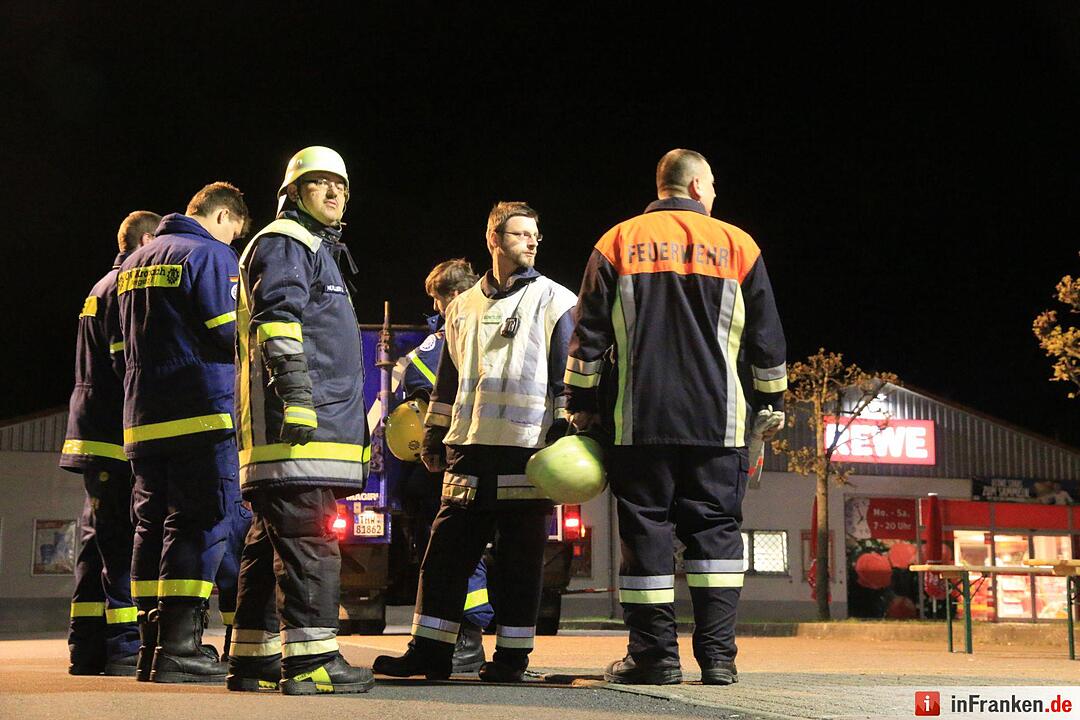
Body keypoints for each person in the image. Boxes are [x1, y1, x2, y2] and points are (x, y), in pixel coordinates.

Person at [565, 149, 788, 686]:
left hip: (639, 422)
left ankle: (654, 658)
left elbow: (588, 334)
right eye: (711, 185)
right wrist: (770, 403)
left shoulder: (616, 242)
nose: (714, 195)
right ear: (692, 187)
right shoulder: (740, 245)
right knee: (715, 534)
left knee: (647, 536)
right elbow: (766, 338)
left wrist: (580, 404)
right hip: (720, 423)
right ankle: (718, 660)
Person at [373, 201, 576, 683]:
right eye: (521, 234)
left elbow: (567, 379)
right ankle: (430, 652)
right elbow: (448, 384)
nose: (531, 241)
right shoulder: (461, 307)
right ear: (493, 239)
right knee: (444, 555)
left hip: (529, 451)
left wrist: (566, 431)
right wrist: (433, 435)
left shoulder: (556, 301)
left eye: (535, 235)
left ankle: (510, 659)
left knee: (520, 560)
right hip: (468, 448)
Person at [228, 146, 373, 695]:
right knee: (311, 543)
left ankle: (254, 660)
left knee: (270, 546)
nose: (335, 193)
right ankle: (313, 663)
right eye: (320, 184)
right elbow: (279, 323)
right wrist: (297, 398)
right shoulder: (287, 242)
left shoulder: (312, 248)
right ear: (293, 193)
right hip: (298, 433)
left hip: (294, 436)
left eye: (341, 185)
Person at [118, 183, 249, 683]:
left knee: (150, 525)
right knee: (200, 520)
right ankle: (180, 647)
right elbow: (226, 330)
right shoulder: (212, 256)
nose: (235, 242)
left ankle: (150, 646)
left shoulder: (133, 263)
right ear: (222, 217)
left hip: (144, 416)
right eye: (235, 232)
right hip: (201, 411)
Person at [61, 210, 160, 676]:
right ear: (144, 239)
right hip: (116, 434)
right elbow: (129, 366)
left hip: (91, 434)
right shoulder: (127, 288)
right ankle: (124, 644)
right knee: (121, 544)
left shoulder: (98, 287)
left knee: (94, 543)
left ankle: (86, 648)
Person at [390, 258, 494, 674]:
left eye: (436, 299)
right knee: (471, 552)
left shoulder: (439, 342)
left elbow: (409, 391)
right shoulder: (493, 326)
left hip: (444, 463)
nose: (434, 308)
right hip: (486, 454)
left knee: (451, 553)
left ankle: (462, 641)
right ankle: (464, 642)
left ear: (451, 296)